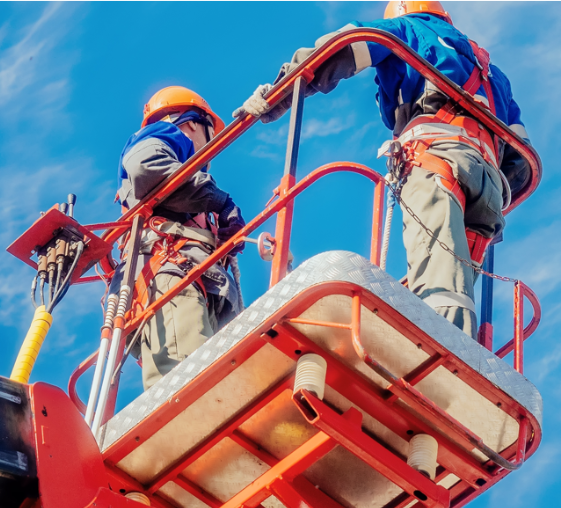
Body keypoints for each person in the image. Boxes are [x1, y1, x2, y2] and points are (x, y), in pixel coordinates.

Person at [238, 0, 535, 337]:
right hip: (490, 189)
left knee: (440, 283)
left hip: (436, 162)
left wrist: (281, 90)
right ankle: (458, 341)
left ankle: (445, 348)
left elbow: (346, 44)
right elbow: (521, 160)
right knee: (457, 281)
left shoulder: (409, 29)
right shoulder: (492, 72)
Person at [117, 86, 245, 389]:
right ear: (193, 124)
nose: (210, 148)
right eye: (210, 134)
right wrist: (221, 202)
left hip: (188, 285)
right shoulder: (167, 136)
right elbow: (146, 167)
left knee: (215, 388)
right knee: (192, 388)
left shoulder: (188, 189)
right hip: (174, 279)